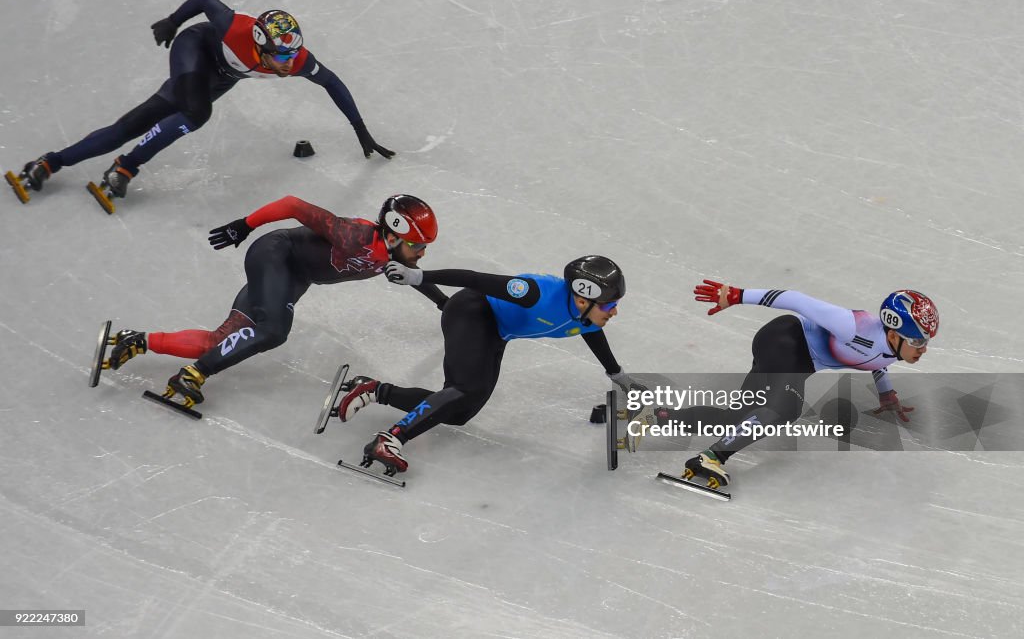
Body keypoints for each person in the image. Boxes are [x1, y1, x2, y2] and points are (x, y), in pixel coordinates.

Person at [13, 0, 393, 204]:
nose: (287, 64)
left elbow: (332, 82)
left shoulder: (294, 61)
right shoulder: (236, 27)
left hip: (222, 75)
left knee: (135, 123)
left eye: (292, 55)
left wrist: (360, 129)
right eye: (280, 56)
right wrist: (172, 22)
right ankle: (120, 165)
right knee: (196, 113)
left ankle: (57, 163)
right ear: (260, 44)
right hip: (193, 49)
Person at [96, 194, 446, 408]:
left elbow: (415, 279)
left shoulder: (393, 257)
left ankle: (140, 340)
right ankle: (193, 375)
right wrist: (244, 225)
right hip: (275, 254)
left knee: (223, 342)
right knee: (275, 330)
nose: (422, 252)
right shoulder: (354, 235)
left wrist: (444, 304)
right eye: (417, 245)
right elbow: (293, 205)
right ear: (392, 233)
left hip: (292, 277)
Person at [332, 255, 642, 476]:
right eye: (610, 306)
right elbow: (475, 279)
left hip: (497, 332)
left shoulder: (586, 318)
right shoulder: (537, 293)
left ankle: (374, 390)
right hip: (470, 311)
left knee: (461, 412)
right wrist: (418, 277)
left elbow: (594, 335)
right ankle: (391, 439)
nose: (614, 312)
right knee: (463, 389)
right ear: (582, 299)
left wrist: (617, 375)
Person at [646, 280, 939, 492]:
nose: (922, 349)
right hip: (785, 339)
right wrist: (736, 295)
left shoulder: (892, 347)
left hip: (799, 362)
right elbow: (797, 300)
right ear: (893, 331)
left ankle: (657, 419)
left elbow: (878, 363)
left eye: (925, 342)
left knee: (736, 420)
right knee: (784, 408)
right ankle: (710, 458)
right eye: (917, 341)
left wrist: (887, 395)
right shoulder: (853, 326)